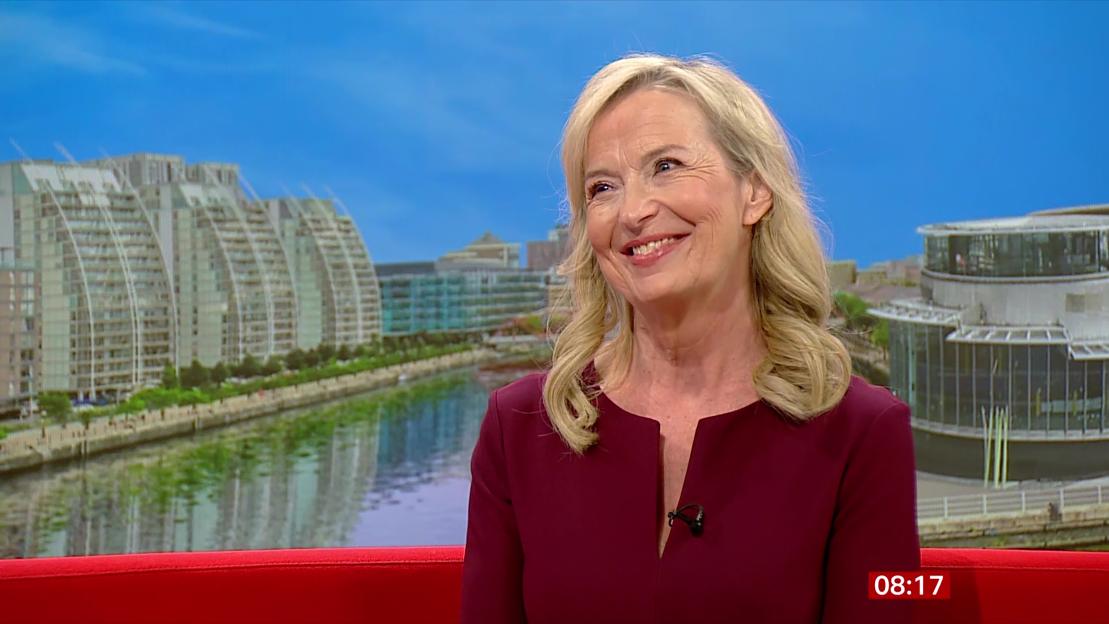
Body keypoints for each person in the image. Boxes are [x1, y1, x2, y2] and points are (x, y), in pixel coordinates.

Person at [461, 53, 919, 624]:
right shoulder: (519, 426)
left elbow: (894, 602)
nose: (633, 211)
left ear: (754, 191)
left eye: (667, 166)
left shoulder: (865, 434)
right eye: (602, 187)